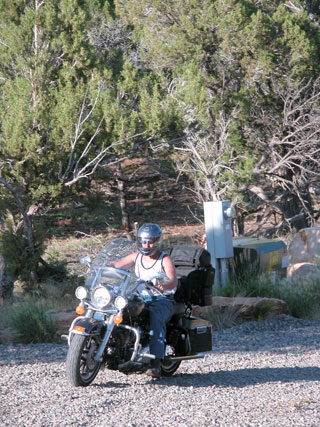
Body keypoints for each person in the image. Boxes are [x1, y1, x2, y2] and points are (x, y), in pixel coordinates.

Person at [111, 223, 177, 378]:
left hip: (162, 298)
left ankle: (155, 363)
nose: (147, 245)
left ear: (158, 241)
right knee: (117, 308)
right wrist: (97, 267)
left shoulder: (164, 259)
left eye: (150, 241)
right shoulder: (137, 256)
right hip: (141, 296)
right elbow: (116, 264)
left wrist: (163, 286)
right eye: (144, 241)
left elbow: (174, 281)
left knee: (155, 317)